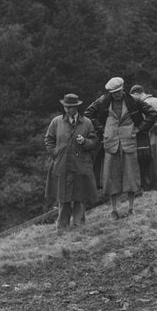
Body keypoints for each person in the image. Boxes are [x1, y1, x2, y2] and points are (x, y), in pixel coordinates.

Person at [84, 76, 157, 219]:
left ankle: (131, 208)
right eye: (114, 92)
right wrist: (101, 128)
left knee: (131, 175)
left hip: (129, 142)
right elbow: (88, 114)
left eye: (119, 91)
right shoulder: (102, 101)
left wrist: (140, 129)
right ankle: (113, 210)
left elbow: (152, 114)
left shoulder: (134, 101)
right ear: (110, 92)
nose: (117, 94)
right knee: (111, 177)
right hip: (110, 143)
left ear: (123, 88)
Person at [45, 93, 99, 230]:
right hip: (62, 165)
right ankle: (62, 227)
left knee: (80, 196)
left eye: (70, 107)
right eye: (66, 107)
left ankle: (78, 226)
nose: (67, 110)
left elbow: (94, 142)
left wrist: (84, 142)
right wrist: (55, 153)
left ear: (76, 108)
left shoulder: (86, 123)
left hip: (80, 165)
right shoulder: (56, 122)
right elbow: (48, 139)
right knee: (63, 197)